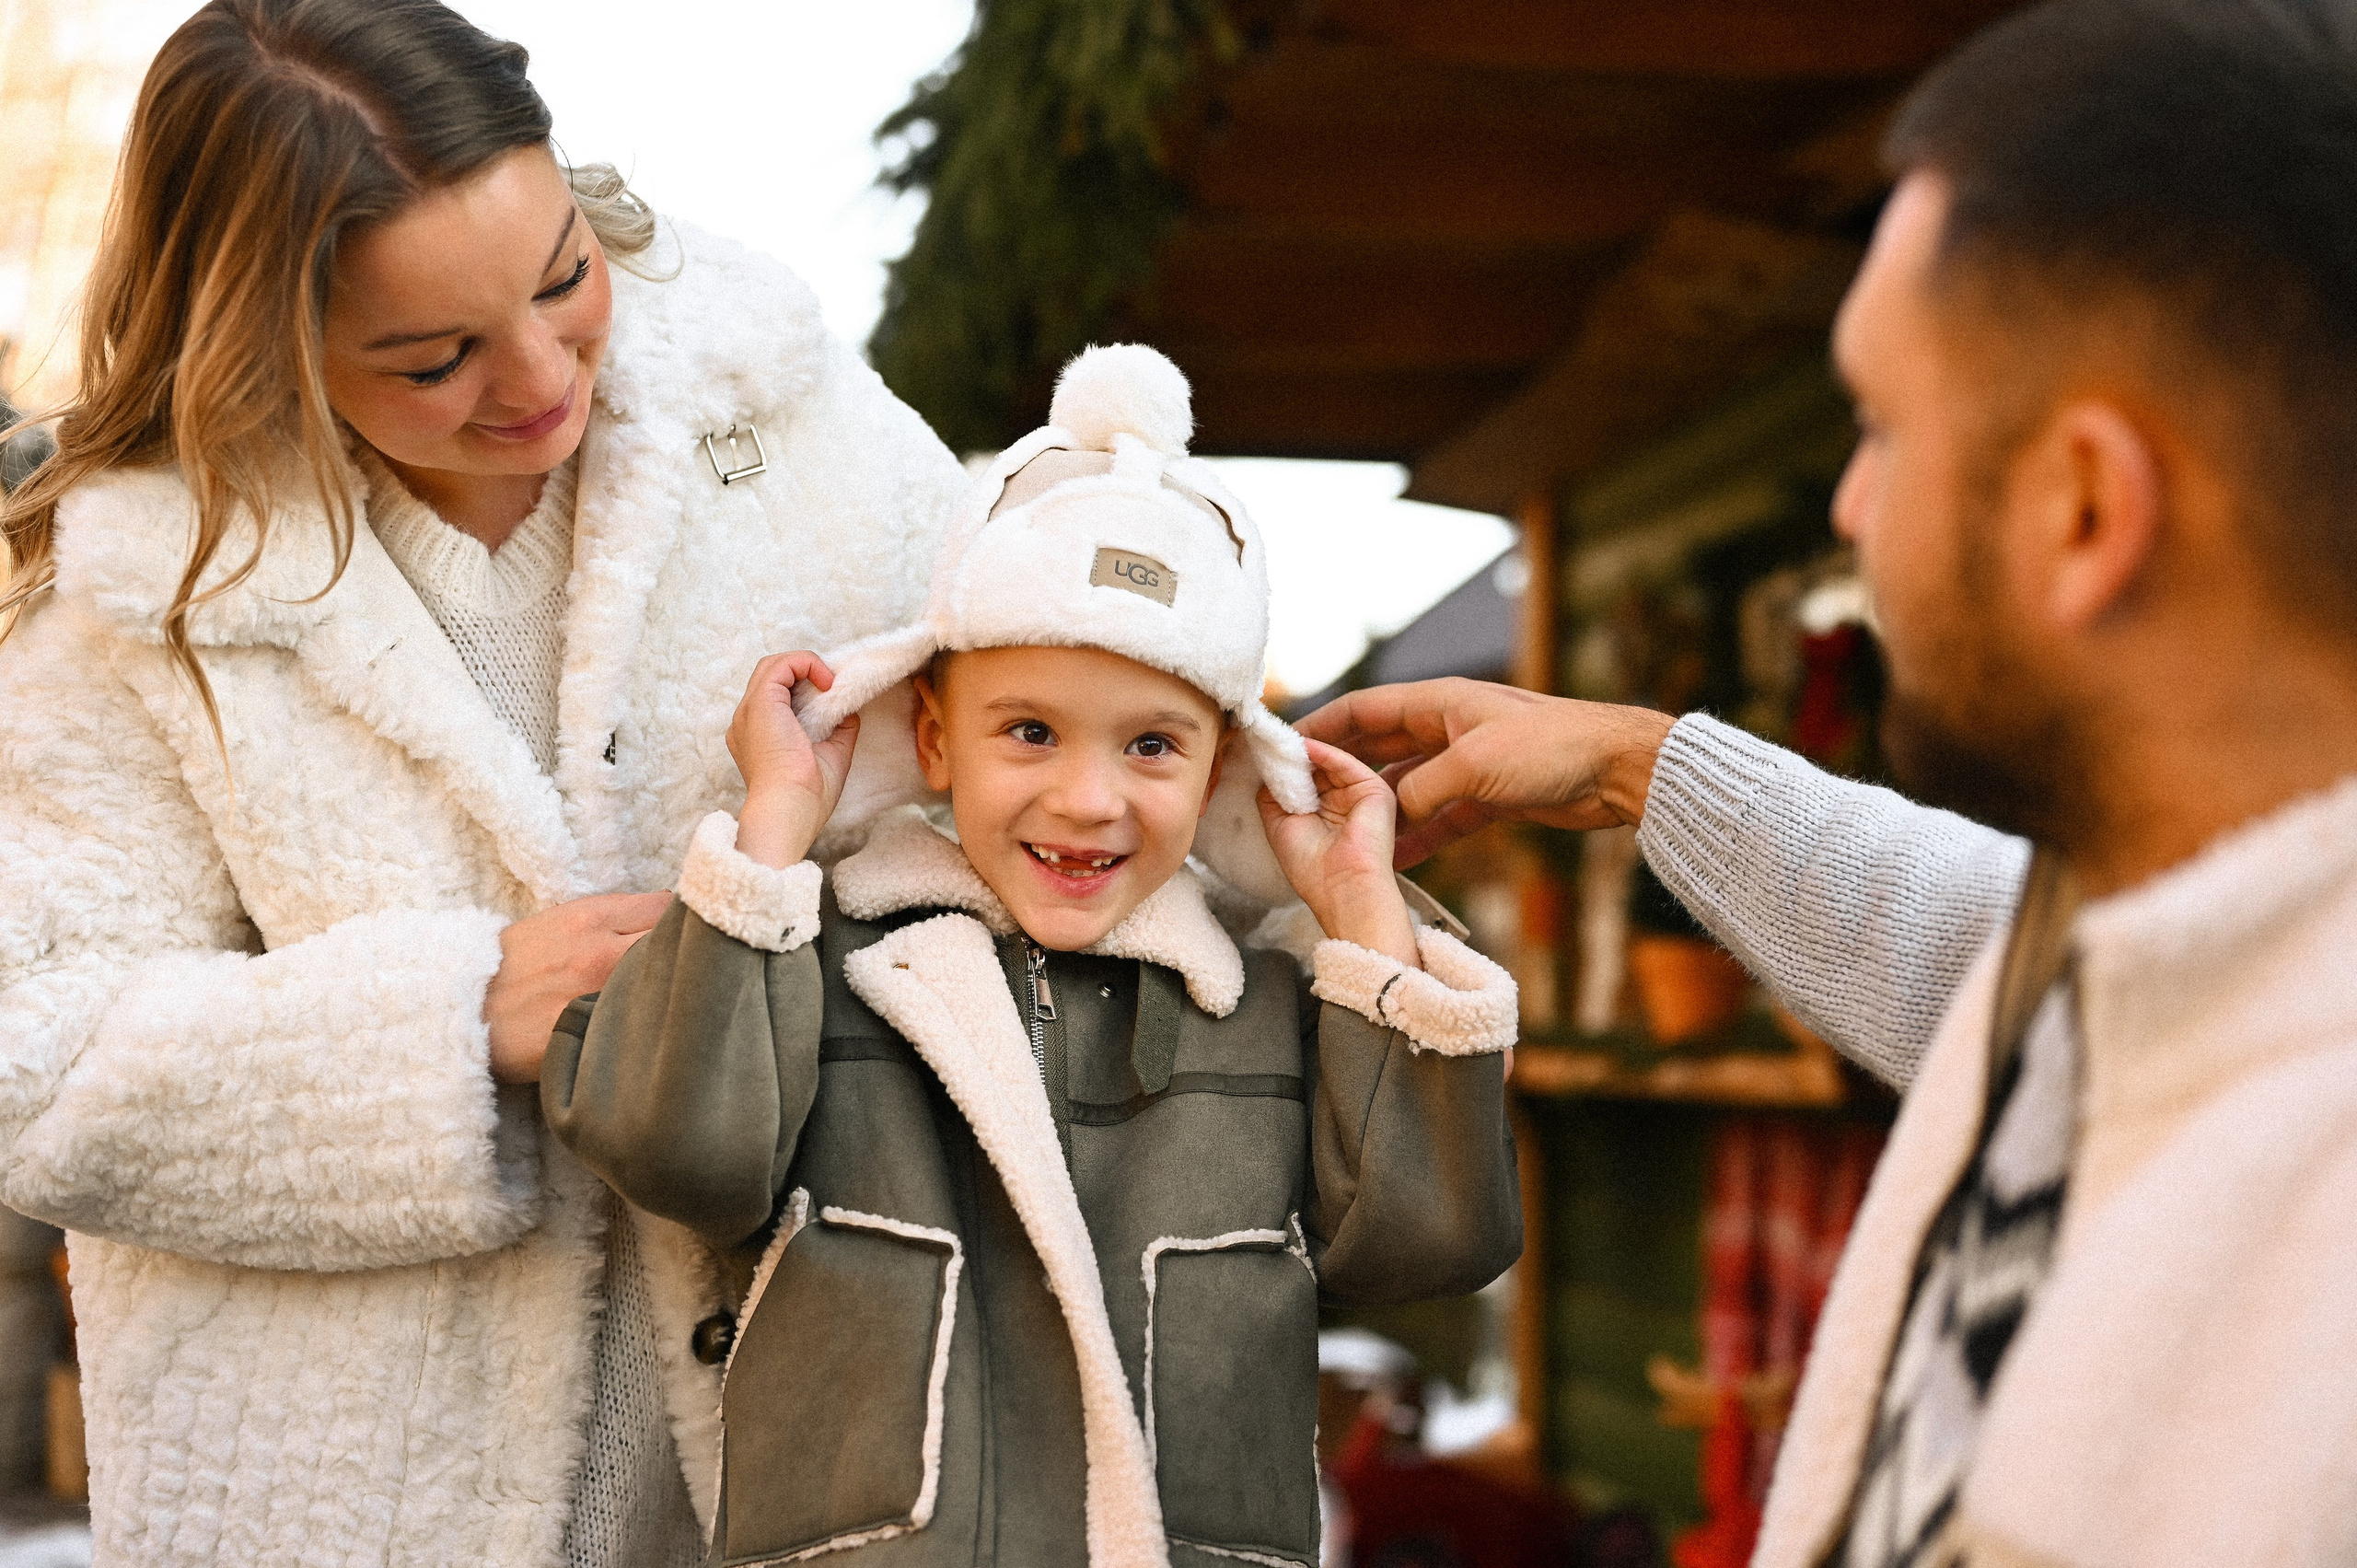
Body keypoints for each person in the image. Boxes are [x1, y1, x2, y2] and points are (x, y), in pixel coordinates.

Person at [1306, 3, 2357, 1564]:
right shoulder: (2142, 953)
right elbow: (1976, 943)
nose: (1851, 507)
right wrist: (1637, 764)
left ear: (2084, 506)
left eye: (1878, 424)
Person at [0, 2, 965, 1563]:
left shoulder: (783, 413)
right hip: (340, 1504)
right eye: (434, 355)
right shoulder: (142, 590)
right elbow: (34, 1058)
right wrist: (453, 1022)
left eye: (562, 277)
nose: (538, 378)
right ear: (264, 342)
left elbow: (1018, 732)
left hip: (818, 1458)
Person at [539, 345, 1525, 1568]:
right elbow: (675, 1149)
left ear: (1225, 770)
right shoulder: (819, 961)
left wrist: (1361, 908)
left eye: (1154, 746)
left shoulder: (1268, 1011)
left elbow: (1426, 1246)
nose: (1089, 798)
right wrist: (773, 825)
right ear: (935, 737)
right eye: (1030, 731)